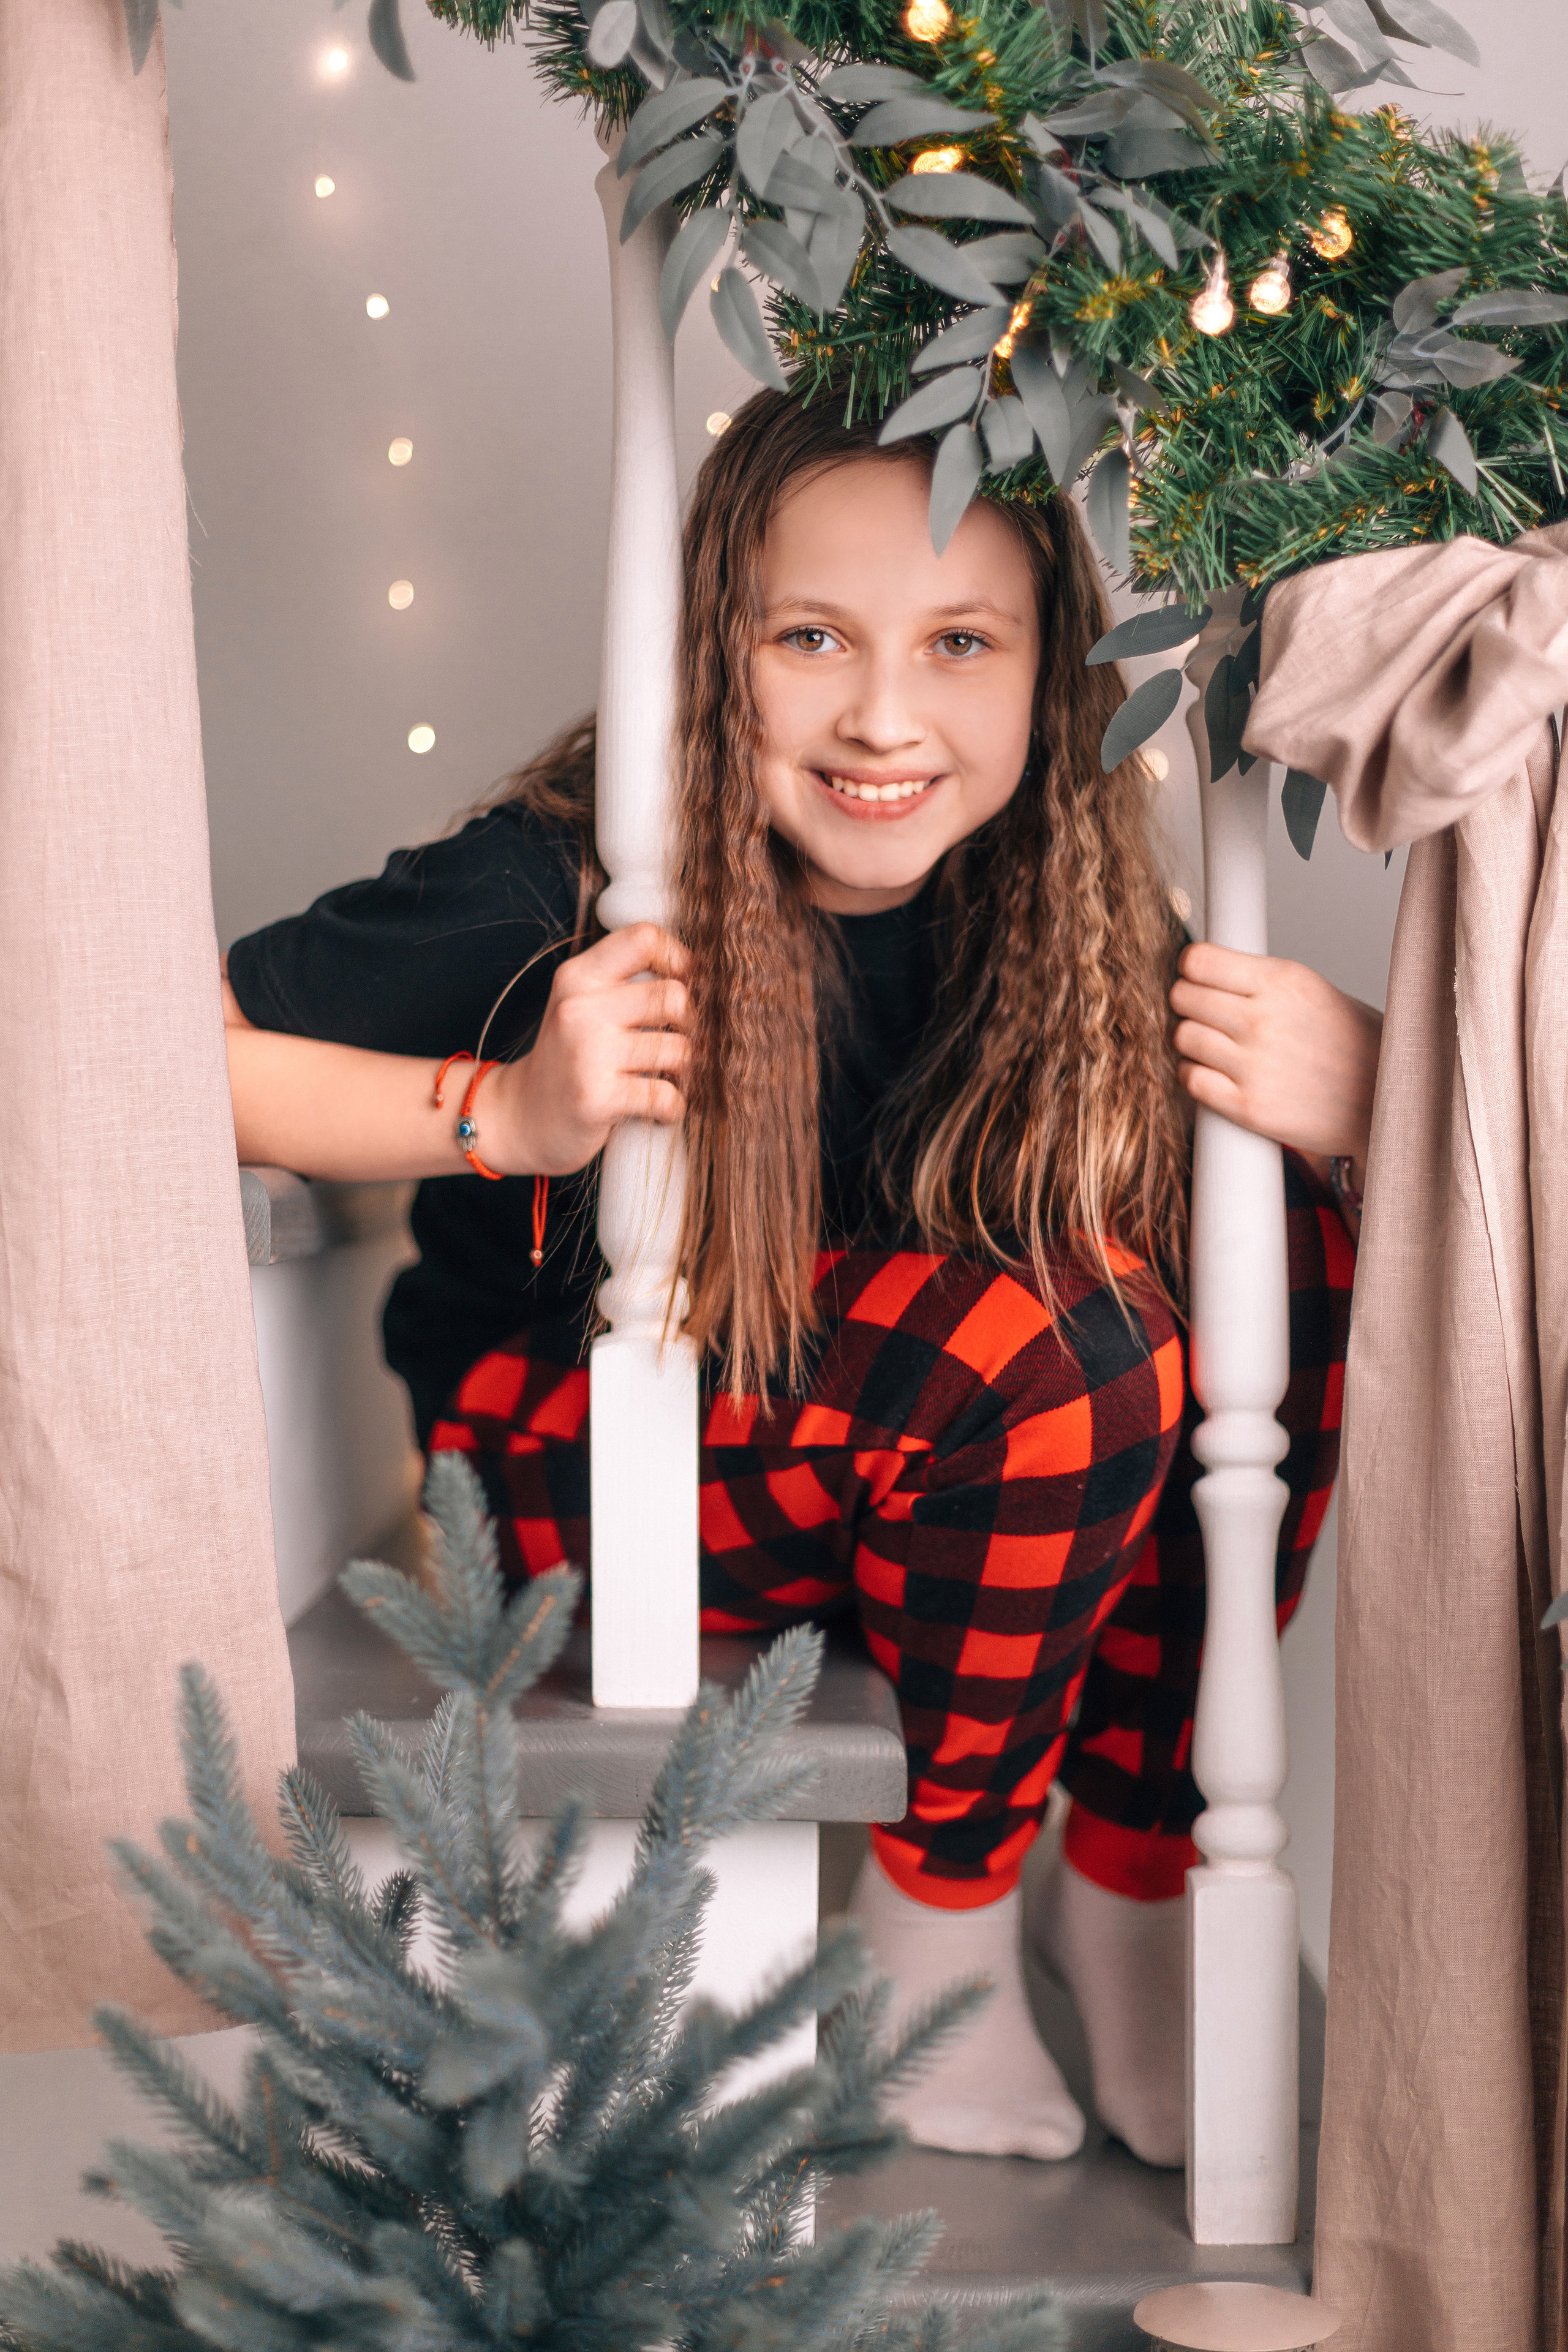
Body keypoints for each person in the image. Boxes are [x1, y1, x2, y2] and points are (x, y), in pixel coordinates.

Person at [223, 390, 1378, 2169]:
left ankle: (1129, 1878)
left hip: (897, 1477)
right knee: (1049, 1351)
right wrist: (506, 1113)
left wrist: (1372, 1087)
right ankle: (946, 1923)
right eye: (814, 636)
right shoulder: (563, 885)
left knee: (1276, 1236)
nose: (886, 715)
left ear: (1049, 675)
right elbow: (154, 1045)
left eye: (962, 642)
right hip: (596, 1483)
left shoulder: (1045, 893)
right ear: (711, 652)